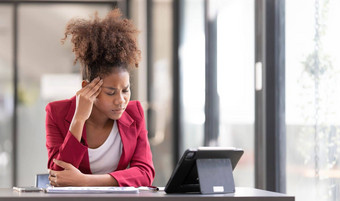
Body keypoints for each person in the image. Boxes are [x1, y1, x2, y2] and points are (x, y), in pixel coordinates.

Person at [45, 9, 155, 187]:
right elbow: (59, 177)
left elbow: (145, 172)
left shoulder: (135, 113)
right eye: (111, 92)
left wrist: (85, 181)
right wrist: (78, 120)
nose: (121, 100)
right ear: (87, 88)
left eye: (125, 90)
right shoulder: (56, 112)